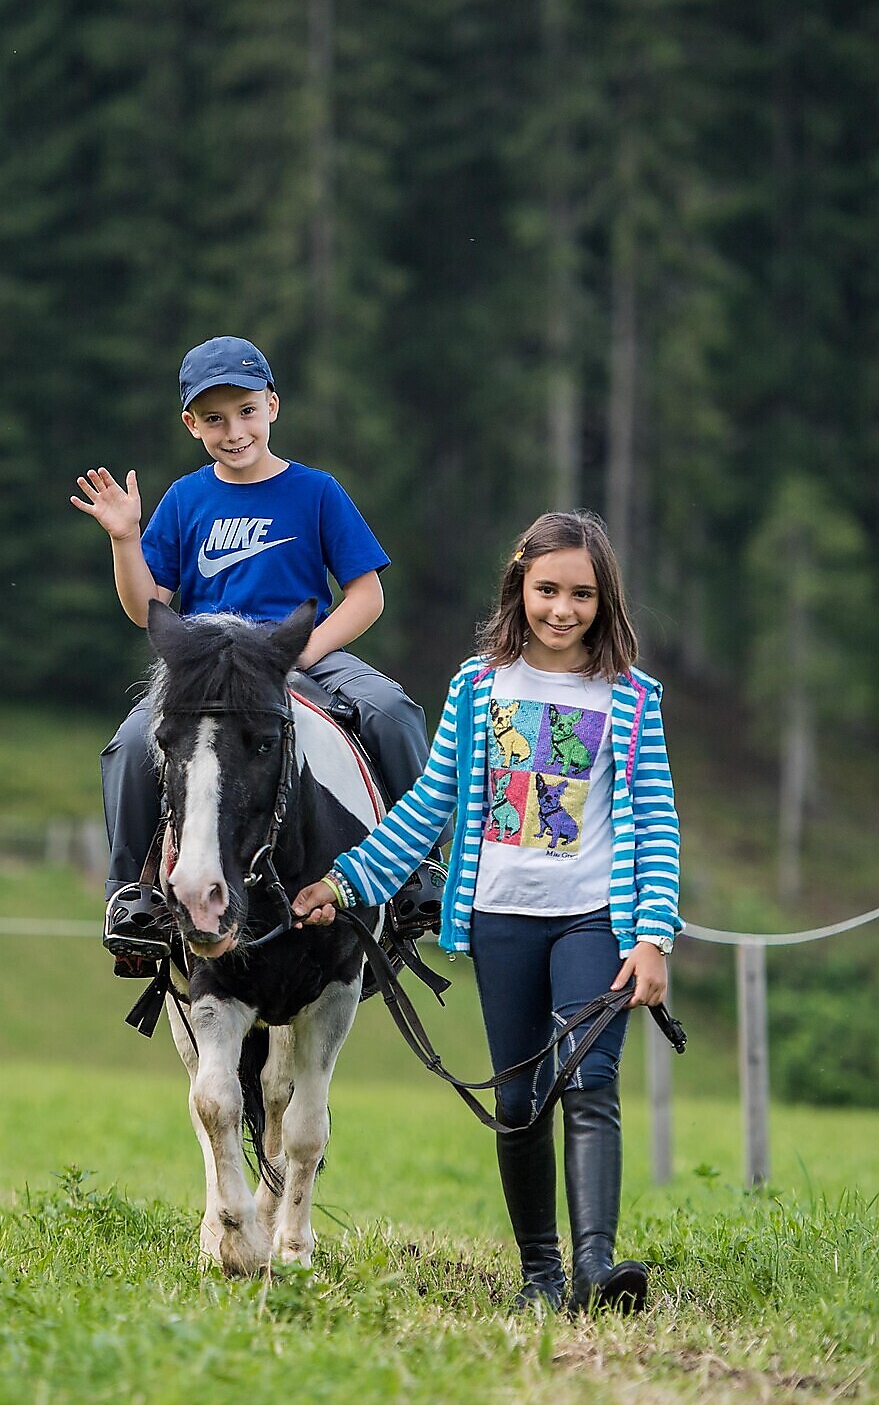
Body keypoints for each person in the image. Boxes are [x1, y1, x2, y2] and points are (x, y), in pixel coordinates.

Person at [292, 510, 681, 1314]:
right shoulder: (478, 688)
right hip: (503, 918)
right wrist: (346, 880)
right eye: (548, 591)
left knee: (590, 1080)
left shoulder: (632, 699)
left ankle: (597, 1273)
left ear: (605, 600)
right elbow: (427, 807)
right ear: (521, 586)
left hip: (594, 918)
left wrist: (652, 936)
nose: (563, 610)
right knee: (518, 1099)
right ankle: (539, 1278)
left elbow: (657, 820)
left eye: (582, 594)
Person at [72, 336, 429, 969]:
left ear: (272, 404)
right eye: (214, 418)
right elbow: (145, 607)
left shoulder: (316, 491)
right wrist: (124, 539)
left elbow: (366, 597)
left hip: (297, 648)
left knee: (393, 711)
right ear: (192, 425)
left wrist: (301, 654)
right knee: (130, 745)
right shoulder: (185, 499)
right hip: (204, 665)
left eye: (245, 410)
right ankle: (130, 895)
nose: (233, 430)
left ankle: (420, 873)